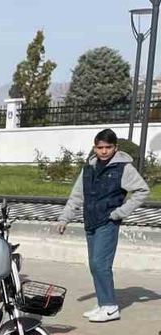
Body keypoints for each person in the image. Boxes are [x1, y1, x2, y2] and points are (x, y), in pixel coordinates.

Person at [56, 129, 150, 323]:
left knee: (101, 264)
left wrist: (119, 213)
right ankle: (102, 304)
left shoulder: (123, 168)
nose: (104, 151)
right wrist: (65, 218)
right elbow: (77, 195)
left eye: (108, 147)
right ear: (94, 147)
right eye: (100, 147)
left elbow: (142, 191)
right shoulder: (88, 168)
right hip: (91, 221)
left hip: (108, 222)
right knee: (94, 265)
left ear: (115, 148)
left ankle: (110, 307)